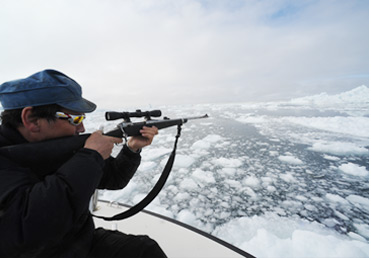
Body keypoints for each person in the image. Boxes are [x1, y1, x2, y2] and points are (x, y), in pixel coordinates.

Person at [0, 69, 167, 258]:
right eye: (75, 119)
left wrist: (131, 149)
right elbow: (29, 230)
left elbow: (114, 179)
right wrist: (90, 156)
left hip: (78, 241)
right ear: (31, 119)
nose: (82, 128)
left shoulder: (58, 149)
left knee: (143, 250)